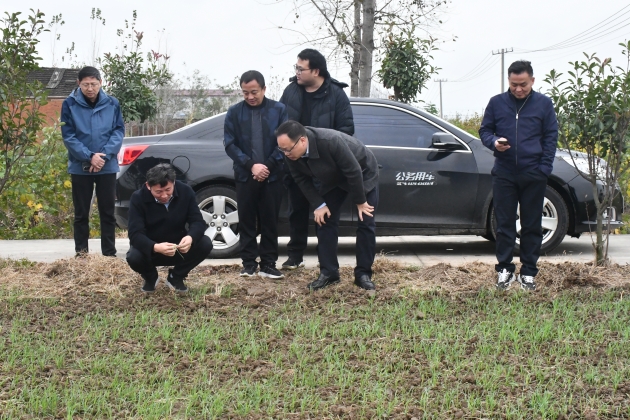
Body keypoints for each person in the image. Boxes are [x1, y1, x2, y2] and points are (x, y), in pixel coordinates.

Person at [479, 60, 558, 291]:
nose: (518, 89)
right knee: (504, 223)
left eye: (523, 84)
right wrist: (494, 142)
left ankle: (529, 272)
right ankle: (504, 269)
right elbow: (485, 130)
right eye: (514, 84)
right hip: (504, 172)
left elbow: (551, 137)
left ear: (532, 80)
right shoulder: (496, 103)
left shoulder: (544, 104)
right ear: (509, 81)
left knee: (532, 224)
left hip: (534, 173)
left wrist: (544, 169)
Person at [276, 120, 379, 291]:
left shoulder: (330, 141)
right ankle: (329, 273)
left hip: (362, 173)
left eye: (288, 149)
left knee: (366, 222)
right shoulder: (291, 154)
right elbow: (301, 179)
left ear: (302, 140)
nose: (286, 154)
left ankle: (363, 274)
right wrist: (319, 204)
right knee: (324, 220)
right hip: (333, 179)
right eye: (282, 150)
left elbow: (353, 171)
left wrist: (360, 201)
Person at [279, 48, 354, 270]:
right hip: (297, 163)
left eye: (301, 69)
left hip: (325, 167)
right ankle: (295, 256)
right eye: (296, 67)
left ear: (316, 71)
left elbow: (346, 131)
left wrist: (330, 157)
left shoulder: (336, 94)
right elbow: (281, 127)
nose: (297, 72)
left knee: (325, 216)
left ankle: (326, 262)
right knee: (296, 211)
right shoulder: (291, 91)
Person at [224, 70, 288, 279]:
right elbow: (230, 145)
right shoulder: (234, 112)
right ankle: (248, 264)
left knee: (270, 221)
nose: (250, 97)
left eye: (254, 92)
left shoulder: (279, 110)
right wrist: (251, 166)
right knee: (247, 220)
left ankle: (269, 264)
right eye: (245, 93)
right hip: (246, 175)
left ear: (263, 89)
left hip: (273, 175)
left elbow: (284, 143)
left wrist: (266, 166)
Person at [61, 66, 124, 257]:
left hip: (107, 165)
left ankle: (109, 254)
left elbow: (118, 131)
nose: (90, 88)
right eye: (86, 84)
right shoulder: (69, 104)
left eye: (94, 84)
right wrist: (89, 157)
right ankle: (81, 255)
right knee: (81, 213)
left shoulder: (112, 103)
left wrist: (103, 155)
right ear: (78, 84)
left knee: (107, 212)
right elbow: (69, 135)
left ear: (101, 83)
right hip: (80, 166)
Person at [126, 163, 212, 293]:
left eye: (168, 190)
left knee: (205, 243)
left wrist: (190, 237)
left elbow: (198, 222)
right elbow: (135, 234)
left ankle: (176, 277)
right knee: (133, 256)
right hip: (152, 249)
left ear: (173, 183)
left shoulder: (186, 191)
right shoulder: (138, 198)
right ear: (148, 186)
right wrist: (155, 247)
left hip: (178, 247)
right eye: (158, 192)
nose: (164, 195)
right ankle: (150, 277)